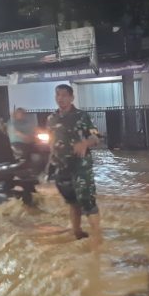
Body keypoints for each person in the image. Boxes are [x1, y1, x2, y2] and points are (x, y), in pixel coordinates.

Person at [47, 84, 102, 246]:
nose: (60, 98)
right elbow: (51, 142)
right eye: (57, 95)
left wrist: (84, 143)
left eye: (64, 95)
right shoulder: (51, 118)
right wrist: (50, 163)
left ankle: (97, 238)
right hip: (61, 166)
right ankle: (77, 232)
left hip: (80, 165)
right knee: (72, 201)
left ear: (71, 98)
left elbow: (96, 137)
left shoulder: (81, 116)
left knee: (87, 200)